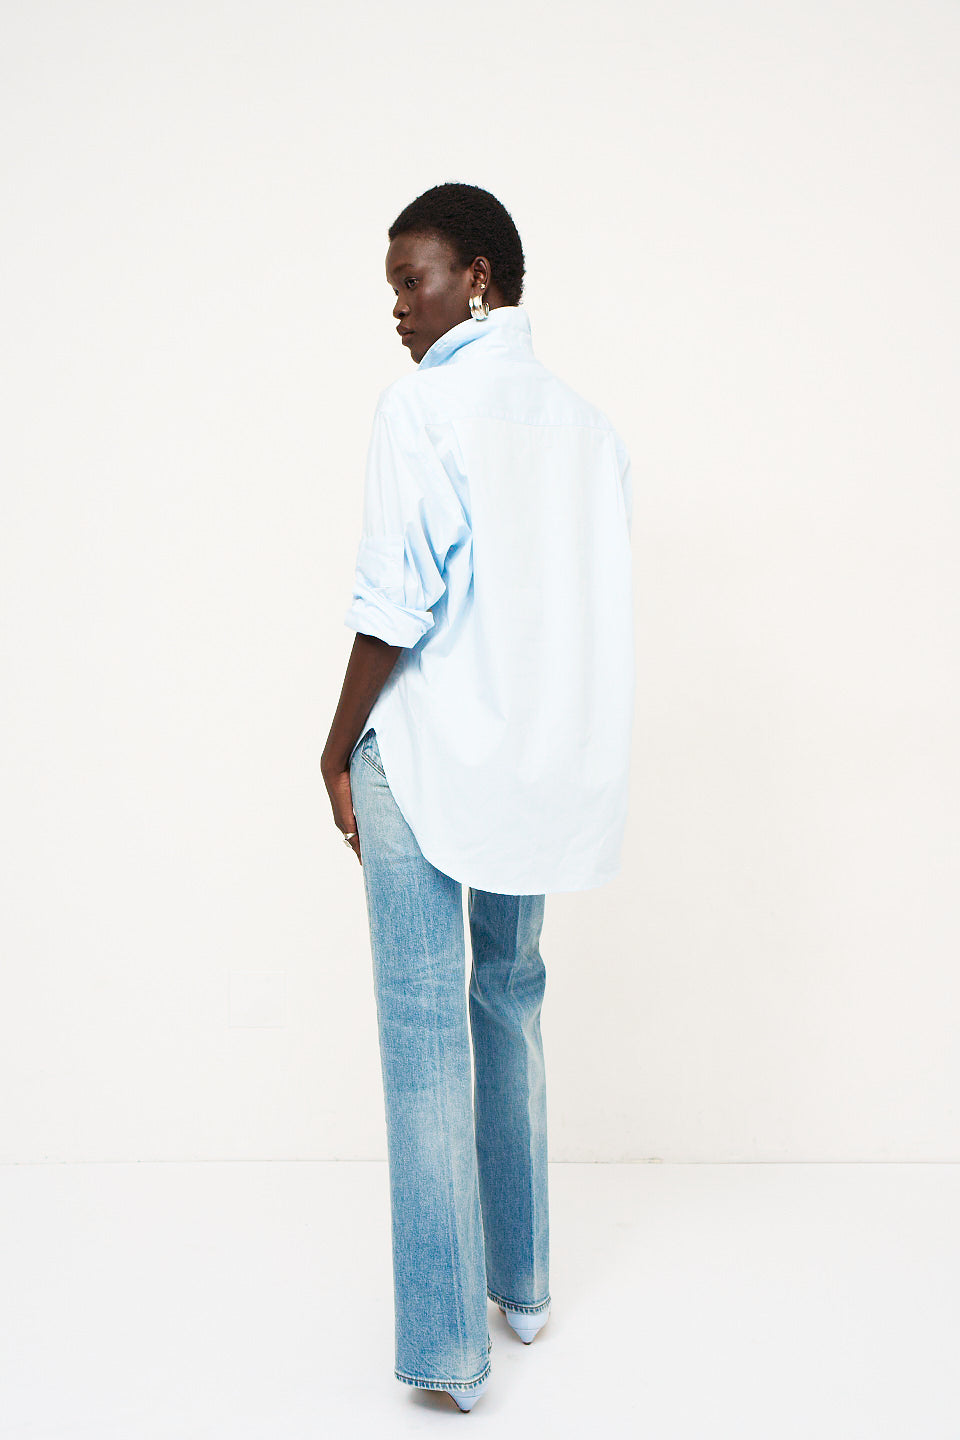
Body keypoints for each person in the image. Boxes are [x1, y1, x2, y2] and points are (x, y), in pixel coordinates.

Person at [320, 181, 634, 1411]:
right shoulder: (587, 429)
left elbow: (393, 605)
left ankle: (451, 1355)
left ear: (481, 278)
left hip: (428, 755)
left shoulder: (422, 408)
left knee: (423, 1037)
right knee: (510, 998)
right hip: (536, 769)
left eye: (416, 279)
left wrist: (333, 746)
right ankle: (528, 1286)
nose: (399, 307)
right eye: (394, 287)